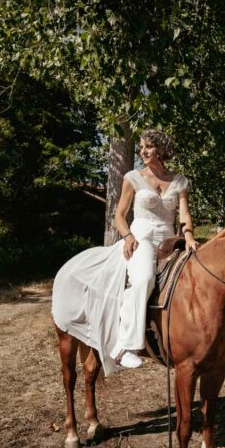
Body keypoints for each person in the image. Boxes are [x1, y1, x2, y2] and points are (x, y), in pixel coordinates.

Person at [51, 130, 199, 373]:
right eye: (141, 147)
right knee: (144, 279)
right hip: (141, 237)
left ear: (161, 150)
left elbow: (184, 213)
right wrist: (128, 236)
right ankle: (125, 346)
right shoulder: (133, 177)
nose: (143, 151)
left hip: (170, 238)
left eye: (149, 146)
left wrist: (190, 235)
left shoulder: (179, 180)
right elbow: (119, 216)